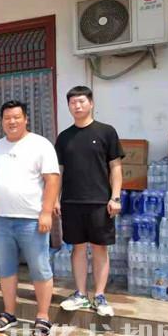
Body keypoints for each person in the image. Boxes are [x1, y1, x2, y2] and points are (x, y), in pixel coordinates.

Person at [0, 100, 60, 336]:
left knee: (39, 268)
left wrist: (46, 212)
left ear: (26, 119)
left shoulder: (40, 144)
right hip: (1, 220)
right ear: (2, 121)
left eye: (16, 117)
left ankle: (43, 317)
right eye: (7, 118)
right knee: (5, 269)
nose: (12, 121)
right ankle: (9, 313)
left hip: (32, 220)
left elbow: (52, 180)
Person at [55, 86, 124, 317]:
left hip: (99, 202)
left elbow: (116, 167)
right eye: (72, 102)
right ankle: (81, 295)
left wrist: (115, 197)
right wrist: (55, 199)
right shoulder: (64, 137)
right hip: (71, 201)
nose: (77, 106)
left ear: (91, 103)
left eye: (81, 101)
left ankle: (100, 296)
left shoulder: (106, 132)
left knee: (99, 248)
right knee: (77, 248)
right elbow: (59, 171)